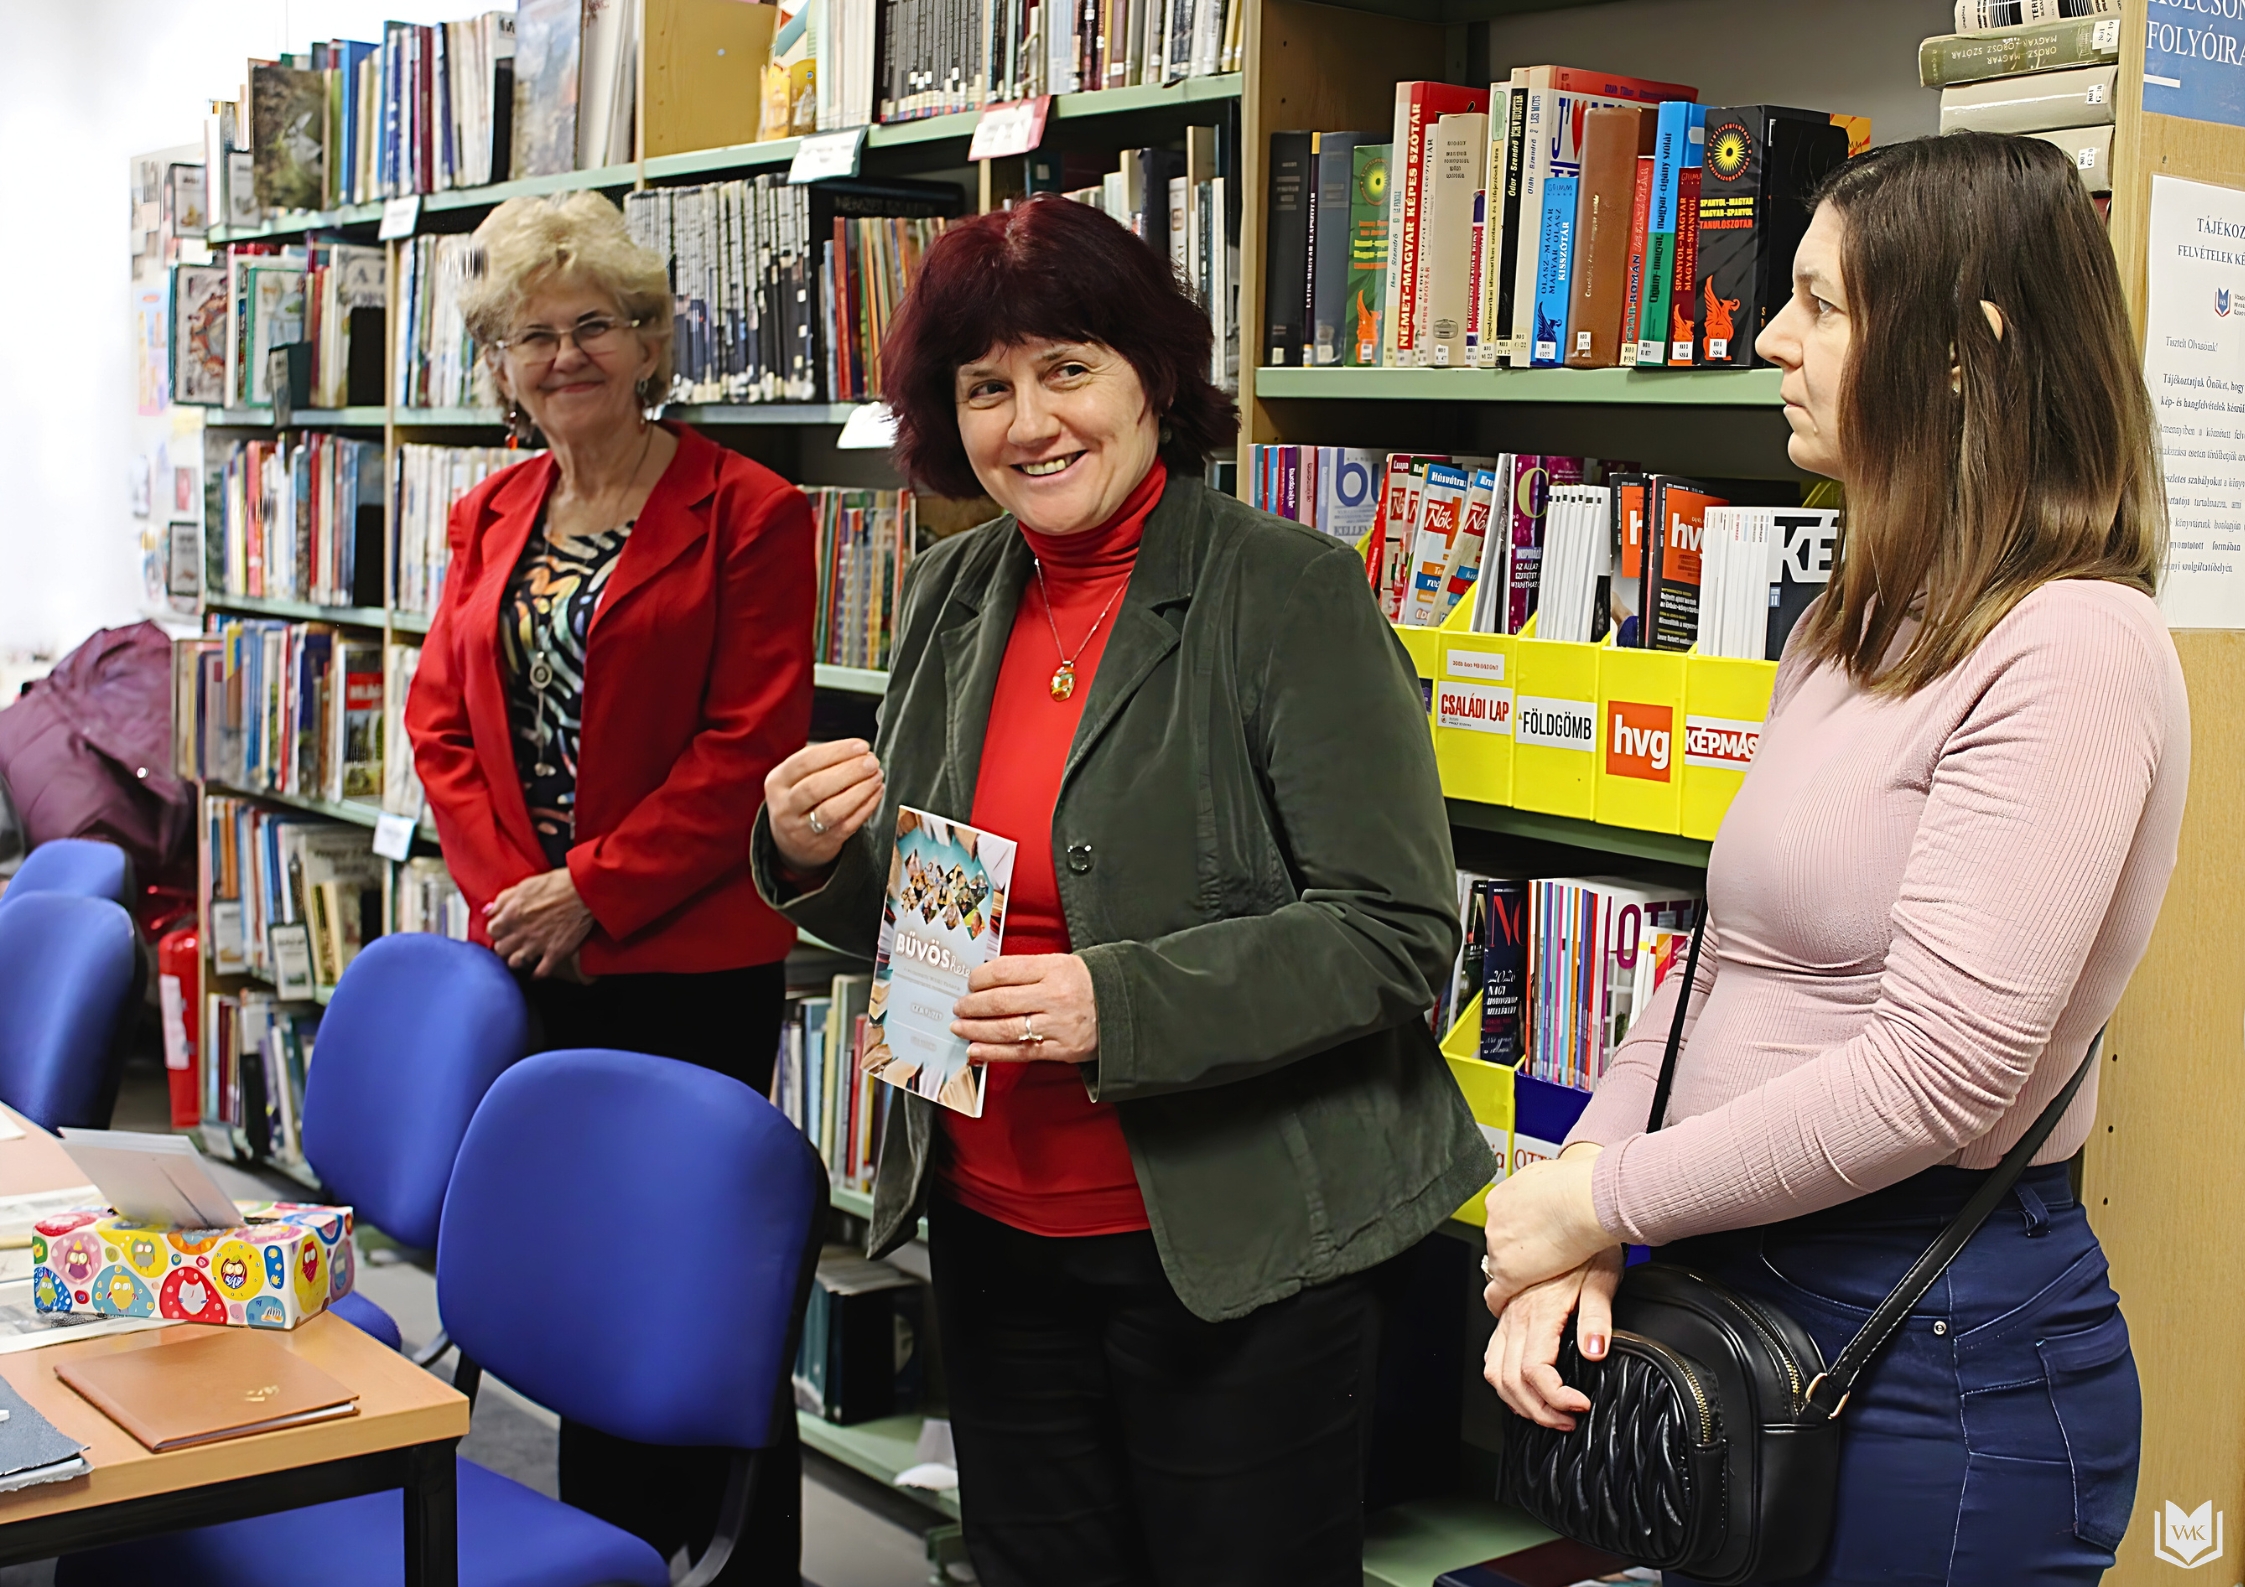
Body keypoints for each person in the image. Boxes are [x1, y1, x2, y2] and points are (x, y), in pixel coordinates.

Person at [1477, 133, 2186, 1585]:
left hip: (1933, 1350)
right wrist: (1585, 1220)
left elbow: (1942, 1074)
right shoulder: (1845, 624)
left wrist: (1601, 1201)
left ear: (1962, 349)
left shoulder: (2073, 643)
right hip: (1742, 1288)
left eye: (1821, 303)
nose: (1769, 338)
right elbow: (1714, 970)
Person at [753, 195, 1491, 1587]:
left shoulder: (1289, 594)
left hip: (1236, 1251)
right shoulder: (952, 591)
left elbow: (1393, 937)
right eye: (985, 388)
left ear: (1152, 375)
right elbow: (931, 907)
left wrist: (1118, 1002)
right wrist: (808, 854)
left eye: (1067, 369)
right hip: (993, 1226)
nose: (1028, 423)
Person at [403, 191, 814, 1585]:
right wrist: (520, 898)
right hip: (535, 960)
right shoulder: (488, 510)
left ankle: (731, 1564)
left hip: (686, 963)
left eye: (594, 326)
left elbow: (747, 744)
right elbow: (441, 726)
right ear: (501, 365)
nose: (564, 355)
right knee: (583, 1287)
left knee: (690, 1297)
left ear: (649, 342)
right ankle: (607, 1553)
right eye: (532, 336)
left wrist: (593, 889)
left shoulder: (748, 511)